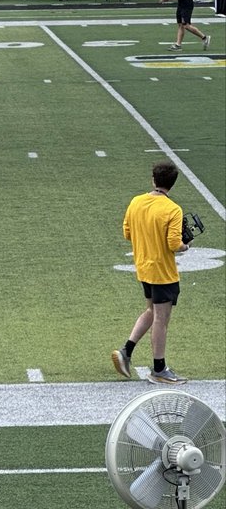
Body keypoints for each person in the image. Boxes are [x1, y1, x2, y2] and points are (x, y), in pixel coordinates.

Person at [112, 162, 190, 384]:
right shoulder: (172, 209)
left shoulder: (136, 201)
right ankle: (159, 368)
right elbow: (175, 243)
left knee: (150, 311)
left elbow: (127, 232)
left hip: (143, 267)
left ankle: (126, 351)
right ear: (172, 185)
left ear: (153, 180)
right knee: (161, 320)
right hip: (163, 272)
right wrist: (187, 245)